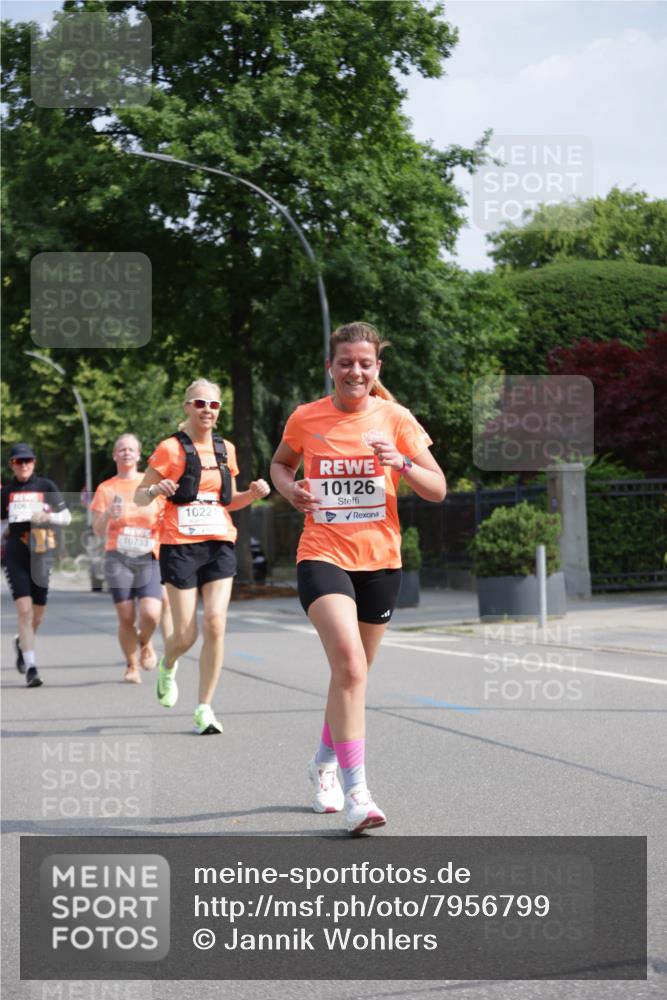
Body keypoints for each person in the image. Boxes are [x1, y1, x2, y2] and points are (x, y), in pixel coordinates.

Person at [270, 323, 446, 834]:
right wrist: (289, 489)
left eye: (364, 363)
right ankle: (358, 794)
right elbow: (281, 464)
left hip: (380, 561)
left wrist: (403, 462)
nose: (355, 370)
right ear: (331, 366)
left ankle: (323, 761)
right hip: (322, 553)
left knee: (353, 677)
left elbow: (437, 489)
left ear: (377, 369)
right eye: (346, 362)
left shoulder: (396, 418)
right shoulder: (306, 417)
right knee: (348, 665)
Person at [135, 379, 270, 734]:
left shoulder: (226, 450)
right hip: (179, 545)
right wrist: (155, 488)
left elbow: (228, 501)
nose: (207, 410)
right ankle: (168, 662)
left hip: (219, 541)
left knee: (215, 623)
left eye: (214, 405)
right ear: (187, 408)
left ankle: (204, 708)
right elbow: (138, 497)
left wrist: (252, 494)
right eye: (199, 403)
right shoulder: (169, 449)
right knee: (186, 634)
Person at [91, 434, 173, 684]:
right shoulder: (106, 488)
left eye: (131, 449)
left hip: (149, 555)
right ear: (115, 455)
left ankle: (145, 642)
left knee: (150, 613)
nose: (126, 453)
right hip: (118, 556)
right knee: (126, 616)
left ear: (139, 455)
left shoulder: (149, 485)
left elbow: (165, 519)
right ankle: (131, 664)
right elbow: (97, 529)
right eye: (121, 450)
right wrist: (107, 515)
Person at [1, 443, 72, 688]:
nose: (24, 466)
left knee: (38, 614)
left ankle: (22, 643)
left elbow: (66, 517)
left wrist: (48, 516)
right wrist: (8, 527)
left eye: (28, 461)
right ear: (12, 464)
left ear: (34, 463)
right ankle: (31, 667)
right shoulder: (6, 492)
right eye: (19, 462)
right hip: (16, 552)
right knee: (24, 610)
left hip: (41, 552)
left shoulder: (46, 486)